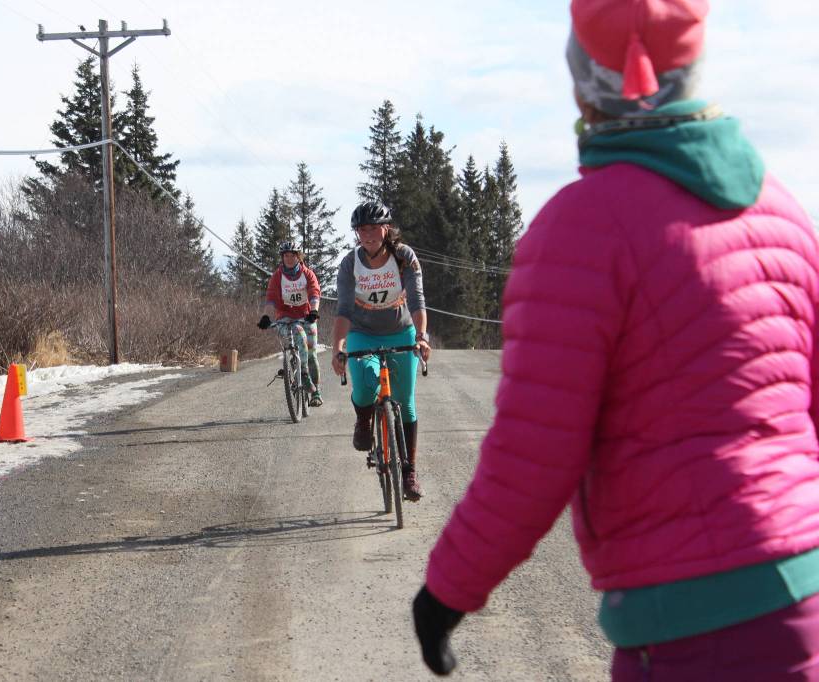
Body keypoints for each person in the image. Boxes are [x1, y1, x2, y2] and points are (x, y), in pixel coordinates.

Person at [413, 1, 819, 679]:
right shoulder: (781, 210)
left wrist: (446, 593)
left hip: (692, 627)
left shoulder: (580, 229)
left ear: (583, 77)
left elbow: (533, 456)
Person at [331, 201, 431, 501]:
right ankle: (364, 420)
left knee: (407, 403)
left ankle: (409, 472)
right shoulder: (350, 263)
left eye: (374, 228)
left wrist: (422, 337)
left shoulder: (404, 257)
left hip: (401, 330)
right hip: (362, 333)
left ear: (386, 229)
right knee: (363, 388)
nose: (368, 235)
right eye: (362, 229)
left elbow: (417, 301)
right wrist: (338, 347)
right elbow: (344, 309)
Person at [257, 241, 324, 407]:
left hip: (306, 316)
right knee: (291, 340)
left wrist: (314, 311)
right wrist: (266, 316)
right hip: (285, 317)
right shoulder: (277, 277)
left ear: (298, 257)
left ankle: (315, 391)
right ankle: (295, 370)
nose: (288, 258)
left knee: (311, 355)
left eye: (292, 255)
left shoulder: (307, 274)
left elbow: (314, 293)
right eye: (285, 255)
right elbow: (271, 298)